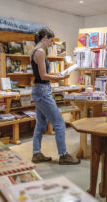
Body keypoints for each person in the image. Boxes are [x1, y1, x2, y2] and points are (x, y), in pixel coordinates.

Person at [30, 28, 80, 165]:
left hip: (39, 89)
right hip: (42, 90)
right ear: (45, 37)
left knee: (40, 124)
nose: (51, 44)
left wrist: (59, 75)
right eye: (51, 41)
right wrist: (60, 78)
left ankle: (36, 153)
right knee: (59, 123)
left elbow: (42, 75)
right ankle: (63, 155)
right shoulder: (40, 52)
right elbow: (43, 76)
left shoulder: (36, 50)